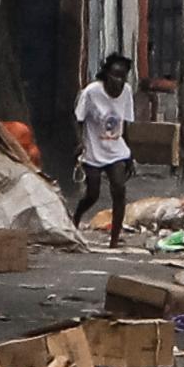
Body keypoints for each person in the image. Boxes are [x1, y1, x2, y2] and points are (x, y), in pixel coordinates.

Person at [71, 55, 135, 247]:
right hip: (93, 149)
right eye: (115, 75)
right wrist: (80, 142)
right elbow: (78, 119)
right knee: (93, 193)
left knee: (119, 188)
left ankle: (114, 239)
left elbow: (126, 122)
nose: (119, 81)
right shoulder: (92, 92)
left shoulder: (127, 93)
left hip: (116, 150)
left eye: (123, 76)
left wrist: (129, 152)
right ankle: (76, 216)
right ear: (106, 75)